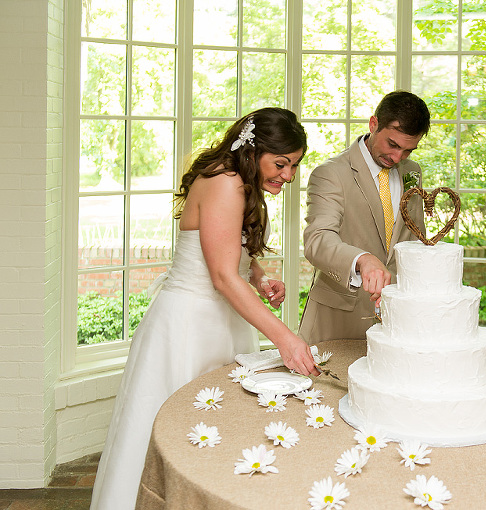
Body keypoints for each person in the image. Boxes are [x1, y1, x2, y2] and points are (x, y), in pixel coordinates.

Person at [90, 107, 319, 510]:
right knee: (176, 434)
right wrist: (285, 337)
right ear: (253, 150)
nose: (288, 175)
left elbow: (232, 255)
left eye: (295, 166)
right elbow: (221, 276)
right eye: (281, 163)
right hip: (187, 327)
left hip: (223, 323)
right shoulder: (225, 181)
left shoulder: (239, 181)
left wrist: (260, 278)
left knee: (216, 430)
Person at [300, 91, 431, 343]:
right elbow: (318, 239)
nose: (397, 158)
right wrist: (362, 259)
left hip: (397, 323)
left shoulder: (412, 172)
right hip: (338, 321)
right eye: (392, 145)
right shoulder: (330, 173)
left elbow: (415, 237)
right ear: (373, 124)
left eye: (408, 150)